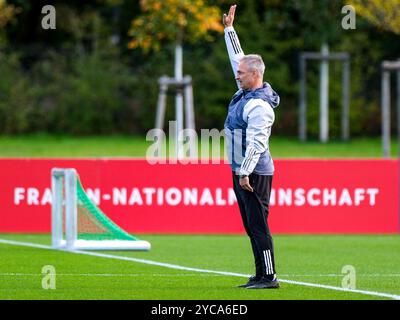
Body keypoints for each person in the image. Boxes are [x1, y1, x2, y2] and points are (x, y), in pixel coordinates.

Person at [223, 4, 280, 289]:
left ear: (255, 75)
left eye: (242, 73)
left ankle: (269, 276)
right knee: (250, 226)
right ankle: (259, 275)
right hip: (241, 170)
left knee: (258, 226)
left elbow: (257, 142)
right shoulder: (247, 89)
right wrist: (229, 29)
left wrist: (244, 172)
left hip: (253, 173)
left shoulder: (258, 105)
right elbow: (238, 59)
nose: (237, 75)